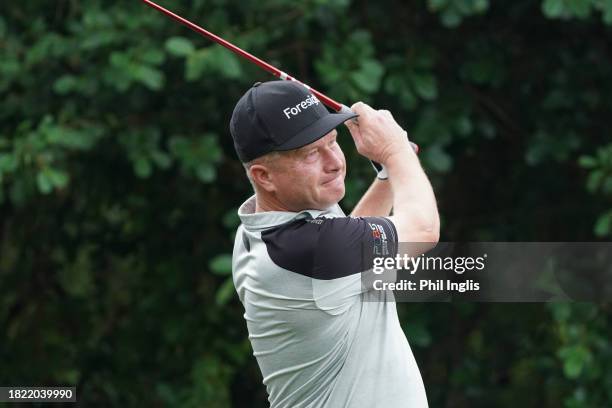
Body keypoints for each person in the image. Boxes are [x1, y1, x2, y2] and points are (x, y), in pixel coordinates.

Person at [229, 80, 440, 408]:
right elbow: (424, 230)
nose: (334, 162)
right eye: (311, 153)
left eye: (332, 141)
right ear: (264, 177)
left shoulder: (263, 225)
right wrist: (395, 151)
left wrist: (388, 175)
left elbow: (348, 250)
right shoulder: (302, 248)